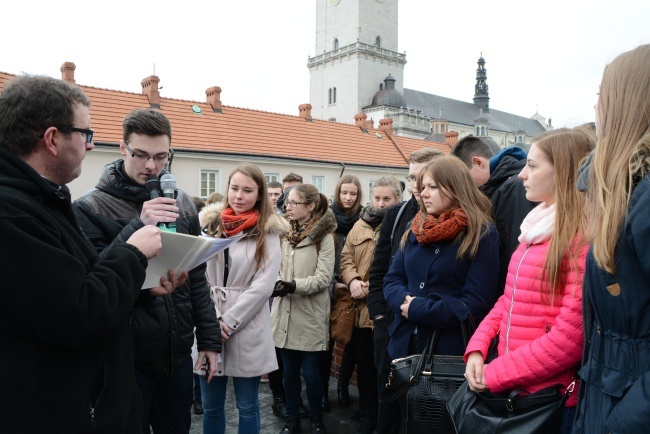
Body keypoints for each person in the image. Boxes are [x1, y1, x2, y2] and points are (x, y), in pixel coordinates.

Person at [0, 75, 165, 433]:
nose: (91, 146)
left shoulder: (43, 199)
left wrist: (142, 287)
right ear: (52, 139)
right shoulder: (12, 212)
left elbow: (78, 284)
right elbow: (80, 312)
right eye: (86, 134)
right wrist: (132, 252)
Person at [73, 108, 221, 434]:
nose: (151, 166)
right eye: (140, 155)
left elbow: (196, 278)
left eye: (160, 156)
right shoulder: (89, 207)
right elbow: (94, 282)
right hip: (126, 361)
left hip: (178, 354)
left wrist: (209, 340)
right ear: (122, 148)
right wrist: (138, 225)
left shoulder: (182, 202)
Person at [464, 127, 594, 434]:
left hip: (549, 401)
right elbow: (508, 301)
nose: (522, 175)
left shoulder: (581, 237)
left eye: (532, 166)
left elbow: (569, 339)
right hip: (517, 391)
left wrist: (494, 374)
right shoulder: (537, 228)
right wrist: (478, 347)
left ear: (562, 172)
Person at [572, 44, 650, 434]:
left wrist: (621, 423)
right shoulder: (628, 191)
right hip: (611, 393)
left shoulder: (645, 197)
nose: (597, 107)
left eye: (603, 95)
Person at [383, 156, 499, 365]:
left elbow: (475, 304)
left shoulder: (480, 233)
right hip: (404, 343)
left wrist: (417, 308)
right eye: (423, 186)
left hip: (447, 352)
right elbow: (392, 279)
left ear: (455, 188)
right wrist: (402, 301)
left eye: (433, 187)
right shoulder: (416, 227)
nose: (424, 193)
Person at [198, 163, 286, 434]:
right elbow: (198, 274)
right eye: (235, 188)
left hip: (247, 325)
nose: (239, 196)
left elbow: (263, 285)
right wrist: (212, 320)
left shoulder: (268, 232)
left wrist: (229, 321)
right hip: (208, 319)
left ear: (259, 194)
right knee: (210, 405)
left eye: (247, 190)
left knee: (248, 405)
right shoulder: (210, 225)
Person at [366, 147, 444, 434]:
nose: (415, 187)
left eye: (422, 180)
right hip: (390, 327)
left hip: (430, 333)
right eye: (411, 178)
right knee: (387, 406)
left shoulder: (459, 219)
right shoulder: (397, 216)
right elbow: (379, 271)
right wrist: (379, 317)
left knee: (422, 413)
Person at [338, 176, 403, 433]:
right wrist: (352, 279)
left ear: (397, 199)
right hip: (359, 311)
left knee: (384, 369)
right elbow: (346, 258)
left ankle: (382, 416)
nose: (381, 203)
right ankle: (368, 413)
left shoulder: (401, 224)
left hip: (384, 308)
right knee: (364, 367)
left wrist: (365, 288)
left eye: (387, 199)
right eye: (377, 198)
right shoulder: (360, 225)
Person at [271, 184, 337, 434]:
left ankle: (317, 421)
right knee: (288, 374)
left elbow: (323, 279)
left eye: (294, 203)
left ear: (310, 206)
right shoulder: (284, 234)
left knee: (311, 375)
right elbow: (277, 266)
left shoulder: (325, 236)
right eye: (287, 202)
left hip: (309, 314)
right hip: (285, 313)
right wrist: (277, 281)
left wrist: (292, 285)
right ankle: (292, 420)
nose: (287, 206)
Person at [451, 136, 536, 293]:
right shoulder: (501, 186)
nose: (465, 185)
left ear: (478, 162)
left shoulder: (513, 188)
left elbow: (513, 250)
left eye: (465, 177)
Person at [327, 174, 363, 410]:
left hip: (352, 287)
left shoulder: (363, 220)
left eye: (353, 193)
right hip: (330, 287)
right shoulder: (328, 219)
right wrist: (332, 282)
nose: (348, 198)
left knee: (351, 343)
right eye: (344, 192)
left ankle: (341, 387)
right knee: (326, 342)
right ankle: (321, 393)